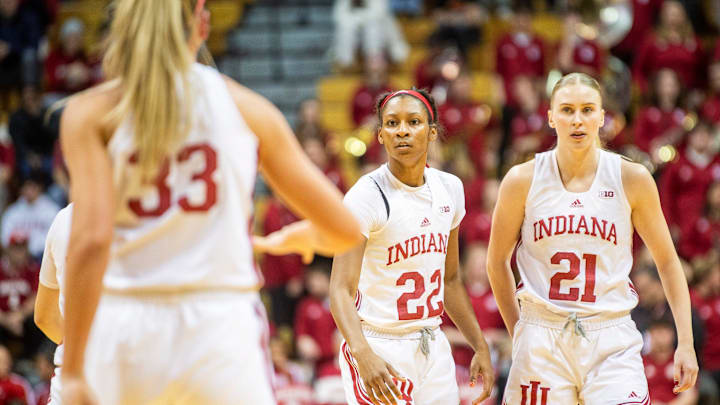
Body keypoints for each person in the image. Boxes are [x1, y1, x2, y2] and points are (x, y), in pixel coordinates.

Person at [57, 0, 363, 404]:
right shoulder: (247, 108)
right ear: (202, 25)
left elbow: (90, 241)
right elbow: (345, 230)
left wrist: (75, 368)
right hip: (220, 324)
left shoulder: (88, 112)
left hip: (125, 324)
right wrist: (303, 238)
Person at [487, 72, 698, 404]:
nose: (577, 120)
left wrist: (685, 342)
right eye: (567, 110)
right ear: (551, 117)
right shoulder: (521, 180)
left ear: (602, 116)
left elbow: (668, 262)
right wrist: (519, 333)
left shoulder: (632, 178)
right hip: (541, 333)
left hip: (610, 335)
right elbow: (496, 262)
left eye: (587, 110)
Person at [330, 88, 494, 405]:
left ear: (432, 133)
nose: (402, 130)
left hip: (431, 344)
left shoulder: (450, 189)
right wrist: (362, 353)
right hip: (379, 344)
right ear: (380, 135)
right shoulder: (366, 195)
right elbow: (339, 290)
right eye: (392, 123)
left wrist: (480, 344)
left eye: (413, 121)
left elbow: (450, 280)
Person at [33, 204, 71, 405]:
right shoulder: (170, 217)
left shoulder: (65, 219)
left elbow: (44, 317)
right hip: (145, 372)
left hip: (74, 377)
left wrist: (79, 346)